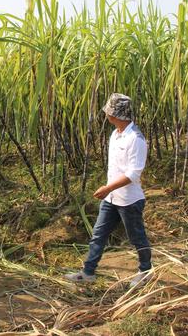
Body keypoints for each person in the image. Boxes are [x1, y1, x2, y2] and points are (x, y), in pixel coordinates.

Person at [65, 93, 152, 287]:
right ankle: (88, 272)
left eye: (109, 112)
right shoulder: (115, 134)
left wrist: (107, 188)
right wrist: (109, 190)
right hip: (112, 198)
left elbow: (133, 174)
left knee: (137, 237)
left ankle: (145, 271)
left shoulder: (135, 139)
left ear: (116, 114)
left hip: (129, 200)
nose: (106, 115)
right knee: (98, 234)